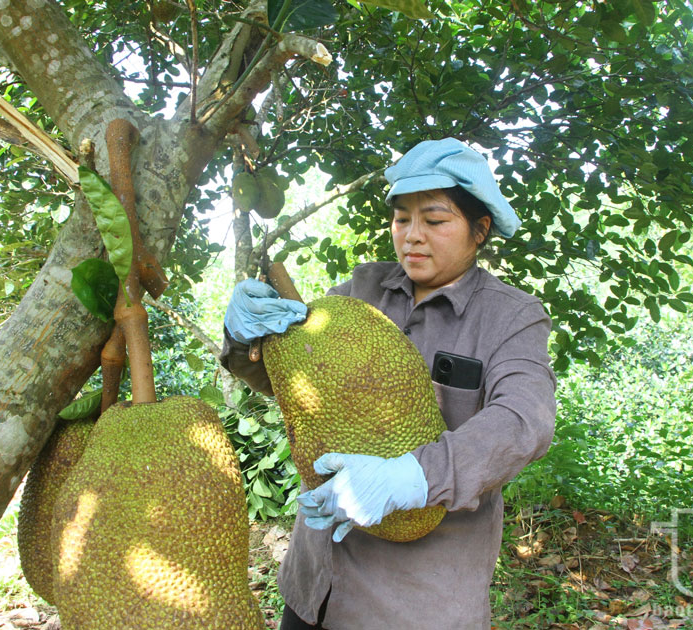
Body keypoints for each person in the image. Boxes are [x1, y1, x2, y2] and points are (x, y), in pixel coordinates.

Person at [220, 138, 557, 629]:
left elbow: (525, 421)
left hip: (413, 602)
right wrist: (243, 337)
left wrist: (414, 476)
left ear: (479, 230)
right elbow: (299, 390)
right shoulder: (362, 290)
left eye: (435, 220)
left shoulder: (510, 318)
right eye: (402, 219)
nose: (412, 237)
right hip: (315, 583)